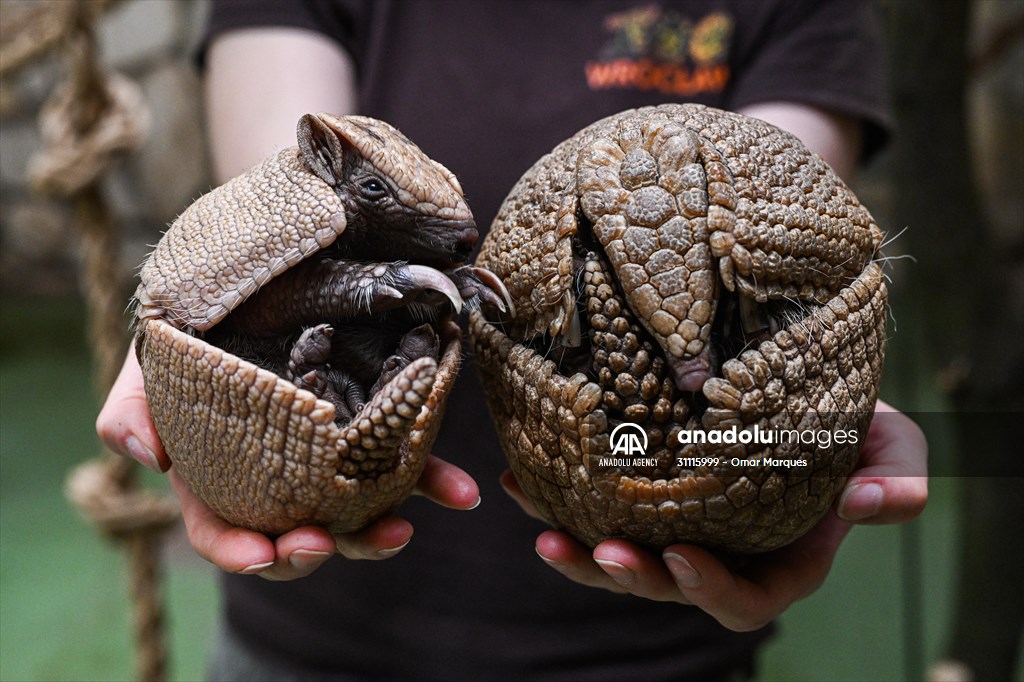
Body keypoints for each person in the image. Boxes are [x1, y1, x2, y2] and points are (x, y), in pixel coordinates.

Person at [97, 2, 928, 679]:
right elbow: (287, 171)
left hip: (657, 645)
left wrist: (803, 407)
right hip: (319, 635)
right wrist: (243, 317)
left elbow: (788, 198)